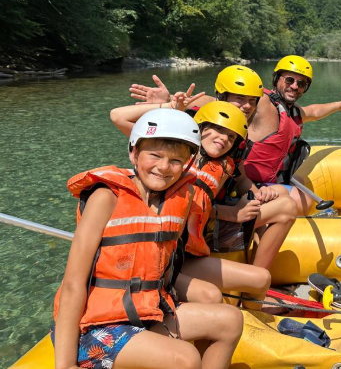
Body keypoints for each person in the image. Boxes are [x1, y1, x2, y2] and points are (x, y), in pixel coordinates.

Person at [52, 109, 243, 369]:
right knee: (185, 357)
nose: (164, 167)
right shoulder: (105, 198)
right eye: (155, 155)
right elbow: (73, 282)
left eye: (175, 160)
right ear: (134, 153)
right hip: (96, 328)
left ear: (188, 164)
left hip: (147, 311)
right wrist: (65, 365)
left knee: (230, 320)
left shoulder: (181, 198)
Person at [112, 75, 297, 273]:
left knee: (279, 194)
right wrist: (169, 106)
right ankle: (257, 277)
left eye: (252, 101)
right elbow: (118, 116)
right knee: (286, 206)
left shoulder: (230, 150)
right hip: (197, 224)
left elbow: (240, 178)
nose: (246, 106)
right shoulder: (179, 146)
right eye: (239, 99)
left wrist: (258, 194)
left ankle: (255, 269)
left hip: (210, 218)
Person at [130, 59, 341, 215]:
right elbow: (218, 102)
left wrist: (340, 105)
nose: (294, 86)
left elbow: (314, 111)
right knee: (300, 201)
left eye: (301, 83)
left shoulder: (293, 112)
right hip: (245, 181)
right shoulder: (260, 101)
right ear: (277, 79)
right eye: (289, 80)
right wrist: (170, 100)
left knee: (301, 194)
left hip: (270, 182)